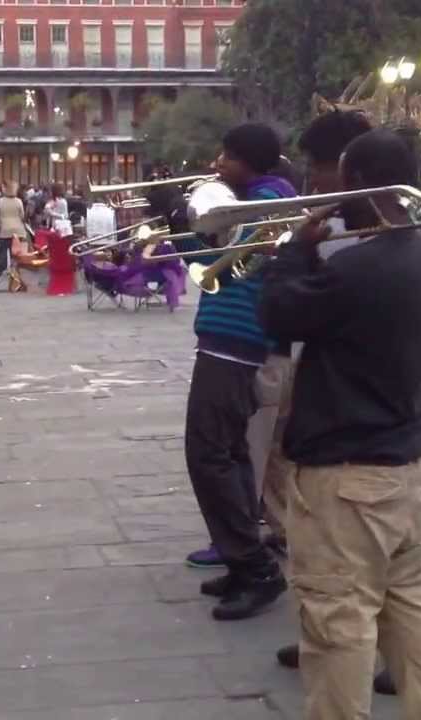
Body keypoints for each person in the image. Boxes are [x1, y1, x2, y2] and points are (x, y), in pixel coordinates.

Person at [260, 128, 421, 720]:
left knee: (336, 624)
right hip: (403, 464)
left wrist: (292, 252)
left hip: (346, 476)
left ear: (356, 182)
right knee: (408, 605)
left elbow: (278, 312)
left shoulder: (361, 269)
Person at [262, 111, 395, 692]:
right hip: (350, 406)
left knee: (356, 551)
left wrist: (293, 257)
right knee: (344, 551)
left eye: (320, 168)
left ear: (349, 166)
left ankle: (358, 652)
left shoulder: (369, 236)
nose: (313, 181)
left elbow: (296, 309)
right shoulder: (348, 226)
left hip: (356, 416)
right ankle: (328, 637)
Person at [183, 123, 293, 622]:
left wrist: (189, 234)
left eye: (226, 156)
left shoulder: (264, 206)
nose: (217, 163)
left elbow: (225, 273)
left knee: (208, 453)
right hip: (231, 337)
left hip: (236, 341)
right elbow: (217, 268)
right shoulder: (252, 202)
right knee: (229, 452)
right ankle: (242, 556)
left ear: (250, 162)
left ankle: (257, 571)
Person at [0, 181, 28, 278]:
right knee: (16, 251)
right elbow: (22, 215)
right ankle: (15, 269)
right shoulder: (18, 201)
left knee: (3, 250)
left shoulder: (0, 201)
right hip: (18, 229)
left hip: (5, 229)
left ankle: (1, 270)